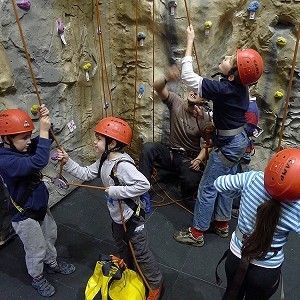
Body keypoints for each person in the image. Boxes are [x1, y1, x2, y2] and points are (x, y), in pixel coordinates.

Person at [173, 24, 264, 247]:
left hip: (229, 145)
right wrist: (209, 107)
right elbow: (228, 109)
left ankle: (197, 233)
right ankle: (222, 224)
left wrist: (189, 41)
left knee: (208, 186)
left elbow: (187, 76)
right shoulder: (240, 89)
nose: (225, 57)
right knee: (227, 183)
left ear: (233, 75)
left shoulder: (224, 89)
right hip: (238, 142)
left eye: (229, 59)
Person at [57, 117, 163, 300]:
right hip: (117, 216)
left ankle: (155, 283)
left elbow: (144, 185)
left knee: (141, 251)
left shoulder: (122, 166)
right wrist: (68, 161)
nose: (95, 142)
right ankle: (128, 269)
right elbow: (86, 173)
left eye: (99, 139)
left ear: (112, 143)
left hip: (132, 217)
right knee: (121, 245)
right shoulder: (104, 159)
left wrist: (116, 191)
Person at [0, 106, 76, 297]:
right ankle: (37, 277)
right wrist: (41, 131)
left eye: (29, 135)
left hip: (39, 206)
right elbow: (37, 162)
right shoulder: (5, 160)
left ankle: (51, 264)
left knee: (50, 236)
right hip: (24, 215)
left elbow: (45, 140)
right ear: (6, 139)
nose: (28, 141)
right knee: (36, 249)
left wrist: (46, 122)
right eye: (23, 137)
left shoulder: (21, 147)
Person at [214, 148, 300, 300]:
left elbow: (219, 184)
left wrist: (239, 196)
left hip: (237, 256)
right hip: (265, 270)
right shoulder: (297, 208)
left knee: (231, 295)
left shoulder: (253, 179)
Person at [139, 65, 212, 208]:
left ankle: (185, 189)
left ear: (203, 101)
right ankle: (142, 191)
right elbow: (157, 87)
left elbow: (210, 143)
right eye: (193, 90)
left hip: (187, 158)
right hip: (170, 153)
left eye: (198, 93)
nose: (193, 92)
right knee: (148, 148)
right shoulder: (176, 101)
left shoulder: (204, 119)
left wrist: (199, 159)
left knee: (191, 182)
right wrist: (167, 78)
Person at [232, 85, 261, 218]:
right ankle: (238, 205)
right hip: (243, 148)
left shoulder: (250, 109)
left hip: (242, 149)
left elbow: (246, 131)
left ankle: (241, 208)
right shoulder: (249, 106)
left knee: (242, 179)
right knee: (240, 177)